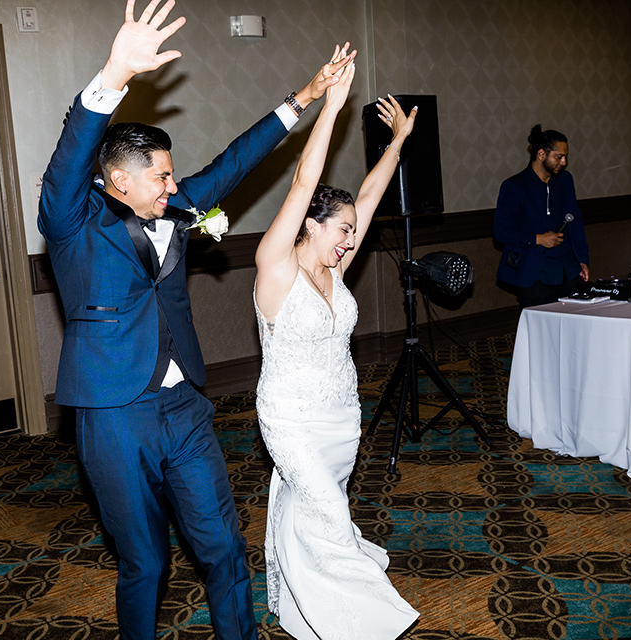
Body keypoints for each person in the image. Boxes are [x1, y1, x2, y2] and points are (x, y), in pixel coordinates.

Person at [37, 1, 349, 637]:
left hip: (184, 410)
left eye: (172, 172)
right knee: (145, 564)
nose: (172, 184)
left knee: (224, 550)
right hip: (113, 415)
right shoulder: (73, 222)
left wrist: (309, 95)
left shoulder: (174, 208)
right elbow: (68, 162)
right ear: (116, 180)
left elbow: (236, 160)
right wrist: (114, 76)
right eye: (159, 175)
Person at [252, 45, 420, 640]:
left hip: (340, 414)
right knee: (327, 511)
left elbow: (369, 196)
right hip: (292, 417)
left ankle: (297, 603)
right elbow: (303, 180)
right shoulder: (274, 266)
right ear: (310, 226)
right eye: (343, 230)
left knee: (311, 508)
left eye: (353, 231)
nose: (352, 240)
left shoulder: (337, 269)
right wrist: (332, 105)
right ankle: (365, 622)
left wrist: (397, 142)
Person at [493, 124, 590, 307]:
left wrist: (583, 260)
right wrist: (537, 239)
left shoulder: (565, 181)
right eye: (559, 157)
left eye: (565, 157)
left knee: (575, 324)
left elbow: (576, 222)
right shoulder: (514, 186)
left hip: (568, 269)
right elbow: (501, 231)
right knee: (542, 328)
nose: (564, 162)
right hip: (534, 273)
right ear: (541, 154)